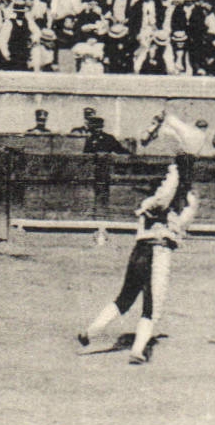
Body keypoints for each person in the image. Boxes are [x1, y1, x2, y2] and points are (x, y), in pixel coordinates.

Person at [77, 154, 199, 365]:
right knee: (152, 308)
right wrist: (180, 176)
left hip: (139, 252)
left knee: (124, 299)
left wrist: (178, 176)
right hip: (158, 254)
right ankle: (138, 349)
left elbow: (165, 198)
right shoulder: (172, 209)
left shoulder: (148, 204)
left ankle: (90, 332)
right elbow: (178, 206)